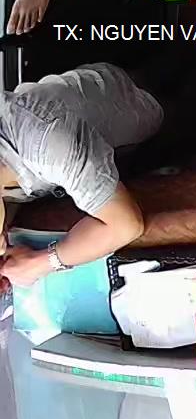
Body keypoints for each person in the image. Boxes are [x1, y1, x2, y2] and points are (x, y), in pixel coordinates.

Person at [0, 63, 160, 287]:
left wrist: (38, 264)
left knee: (181, 109)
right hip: (82, 105)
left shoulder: (47, 146)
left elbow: (126, 226)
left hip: (139, 105)